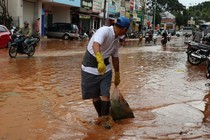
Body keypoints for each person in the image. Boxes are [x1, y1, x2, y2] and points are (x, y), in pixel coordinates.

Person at [81, 16, 130, 129]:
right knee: (95, 96)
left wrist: (117, 73)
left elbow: (115, 58)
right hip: (90, 67)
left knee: (105, 94)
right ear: (125, 29)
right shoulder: (104, 30)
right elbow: (96, 44)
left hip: (106, 69)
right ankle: (101, 117)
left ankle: (105, 119)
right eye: (126, 30)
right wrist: (99, 59)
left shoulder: (116, 41)